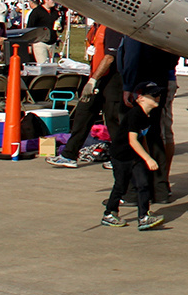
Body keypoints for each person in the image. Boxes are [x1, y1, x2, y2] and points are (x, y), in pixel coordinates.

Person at [49, 23, 123, 167]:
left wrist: (93, 80)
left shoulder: (112, 27)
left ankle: (119, 158)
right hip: (97, 77)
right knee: (84, 113)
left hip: (112, 79)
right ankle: (69, 154)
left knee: (113, 119)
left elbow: (109, 57)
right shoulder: (96, 27)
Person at [118, 36, 179, 202]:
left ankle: (132, 190)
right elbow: (173, 56)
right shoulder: (164, 31)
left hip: (140, 82)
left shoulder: (137, 29)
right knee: (155, 135)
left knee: (131, 135)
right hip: (160, 79)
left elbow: (132, 54)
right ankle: (160, 188)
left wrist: (128, 85)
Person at [102, 81, 165, 230]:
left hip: (135, 156)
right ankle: (109, 213)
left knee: (143, 184)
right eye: (153, 95)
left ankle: (143, 217)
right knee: (120, 186)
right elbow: (132, 140)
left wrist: (146, 155)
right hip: (121, 156)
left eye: (158, 94)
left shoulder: (148, 115)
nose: (158, 97)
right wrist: (148, 158)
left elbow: (141, 138)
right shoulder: (135, 114)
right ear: (140, 98)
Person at [26, 0, 63, 64]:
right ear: (45, 0)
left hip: (52, 43)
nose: (54, 2)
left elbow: (60, 28)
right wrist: (29, 45)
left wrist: (60, 28)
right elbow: (30, 28)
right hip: (40, 42)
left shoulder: (55, 12)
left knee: (52, 65)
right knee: (43, 65)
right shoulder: (36, 12)